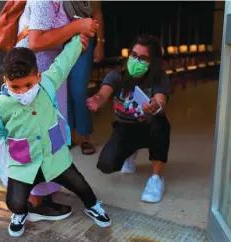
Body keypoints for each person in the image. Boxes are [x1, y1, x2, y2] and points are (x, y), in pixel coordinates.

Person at [0, 35, 111, 237]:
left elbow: (65, 60)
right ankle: (21, 213)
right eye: (15, 87)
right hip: (24, 163)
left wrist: (79, 40)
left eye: (28, 84)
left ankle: (93, 206)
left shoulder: (48, 83)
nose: (22, 92)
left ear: (39, 76)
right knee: (14, 202)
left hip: (55, 157)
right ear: (5, 81)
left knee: (82, 187)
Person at [14, 0, 98, 220]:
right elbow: (35, 41)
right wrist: (76, 28)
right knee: (39, 139)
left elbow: (53, 34)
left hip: (47, 76)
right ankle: (34, 202)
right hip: (36, 78)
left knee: (50, 137)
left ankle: (40, 195)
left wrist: (74, 41)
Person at [86, 35, 171, 203]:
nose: (136, 60)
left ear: (152, 61)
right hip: (124, 128)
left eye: (143, 58)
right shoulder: (117, 76)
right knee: (106, 165)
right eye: (133, 55)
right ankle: (130, 152)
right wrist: (97, 99)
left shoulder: (159, 78)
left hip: (149, 127)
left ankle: (156, 178)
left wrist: (155, 106)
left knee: (160, 123)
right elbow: (104, 93)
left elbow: (161, 100)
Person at [66, 1, 105, 155]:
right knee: (63, 91)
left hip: (83, 38)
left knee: (79, 91)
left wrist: (100, 43)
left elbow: (97, 13)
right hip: (56, 41)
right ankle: (67, 136)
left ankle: (84, 136)